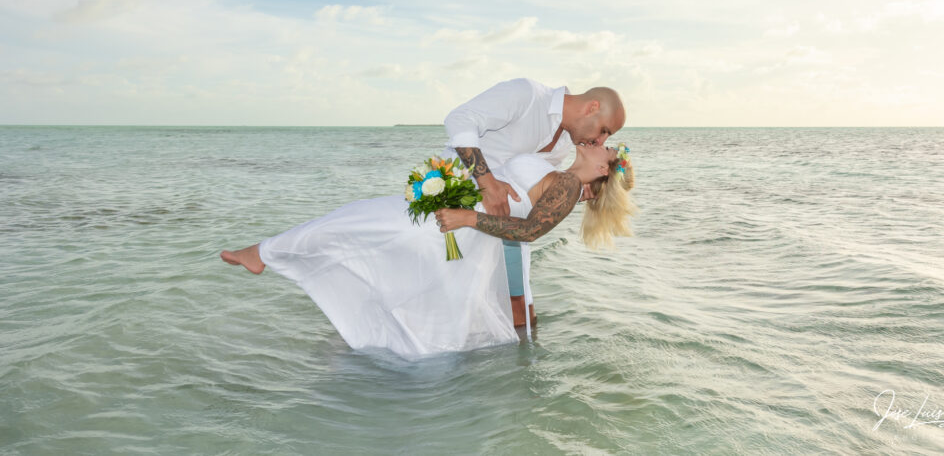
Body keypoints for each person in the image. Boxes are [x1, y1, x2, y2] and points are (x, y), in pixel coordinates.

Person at [219, 143, 636, 361]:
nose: (602, 143)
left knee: (363, 221)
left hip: (461, 226)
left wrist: (467, 217)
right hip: (461, 225)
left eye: (608, 148)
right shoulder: (559, 170)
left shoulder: (568, 186)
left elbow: (528, 232)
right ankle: (267, 253)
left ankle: (265, 253)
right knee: (365, 225)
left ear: (603, 169)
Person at [442, 78, 626, 327]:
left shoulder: (564, 145)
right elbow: (459, 119)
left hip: (493, 226)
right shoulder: (527, 95)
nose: (600, 141)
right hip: (455, 198)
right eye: (604, 130)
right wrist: (487, 182)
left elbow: (539, 193)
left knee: (513, 309)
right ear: (593, 107)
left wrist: (581, 193)